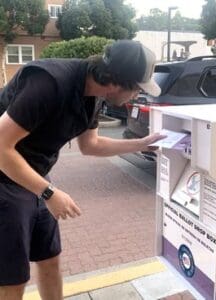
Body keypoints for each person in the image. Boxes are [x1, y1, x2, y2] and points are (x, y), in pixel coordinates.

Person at [0, 40, 165, 300]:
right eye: (136, 89)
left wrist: (141, 143)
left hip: (35, 176)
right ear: (115, 81)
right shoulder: (48, 83)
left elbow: (91, 144)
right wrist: (49, 193)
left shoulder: (94, 96)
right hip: (5, 178)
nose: (136, 96)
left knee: (50, 258)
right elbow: (0, 146)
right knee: (13, 277)